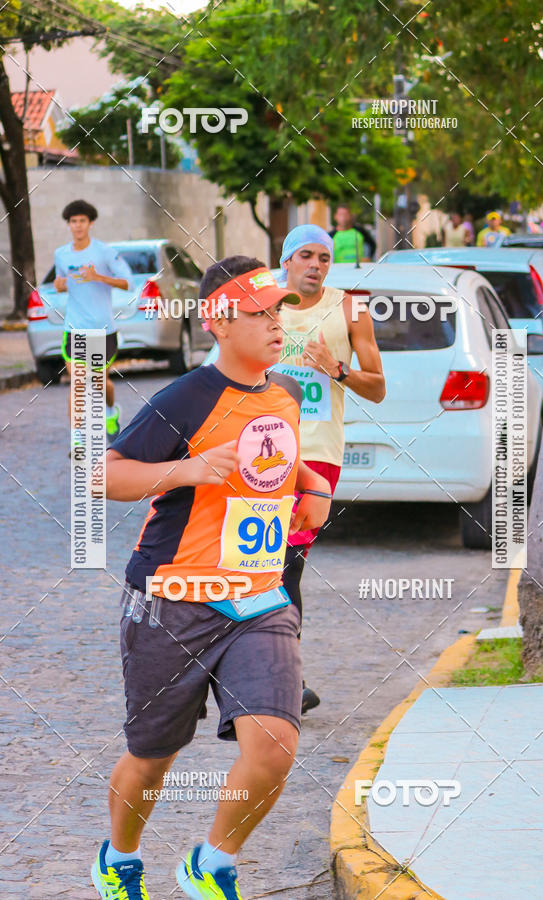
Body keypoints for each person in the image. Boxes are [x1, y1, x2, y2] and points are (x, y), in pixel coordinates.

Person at [92, 255, 333, 900]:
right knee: (152, 757)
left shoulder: (282, 394)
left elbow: (281, 458)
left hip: (258, 596)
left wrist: (313, 486)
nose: (275, 323)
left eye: (278, 311)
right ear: (218, 323)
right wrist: (186, 470)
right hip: (173, 601)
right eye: (258, 313)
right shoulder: (185, 398)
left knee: (275, 743)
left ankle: (212, 864)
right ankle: (118, 857)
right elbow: (105, 475)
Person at [276, 224, 385, 713]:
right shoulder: (264, 304)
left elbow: (379, 386)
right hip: (262, 449)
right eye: (306, 255)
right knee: (250, 561)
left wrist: (336, 369)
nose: (316, 264)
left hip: (317, 456)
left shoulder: (351, 309)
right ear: (286, 261)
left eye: (323, 257)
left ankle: (284, 679)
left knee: (285, 565)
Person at [54, 200, 134, 450]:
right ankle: (77, 438)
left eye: (82, 221)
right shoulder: (61, 254)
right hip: (75, 329)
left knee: (99, 384)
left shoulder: (104, 252)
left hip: (102, 331)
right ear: (69, 225)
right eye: (73, 221)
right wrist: (60, 284)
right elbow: (62, 280)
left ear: (90, 224)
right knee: (78, 381)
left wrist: (97, 276)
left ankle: (110, 411)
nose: (78, 226)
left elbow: (127, 282)